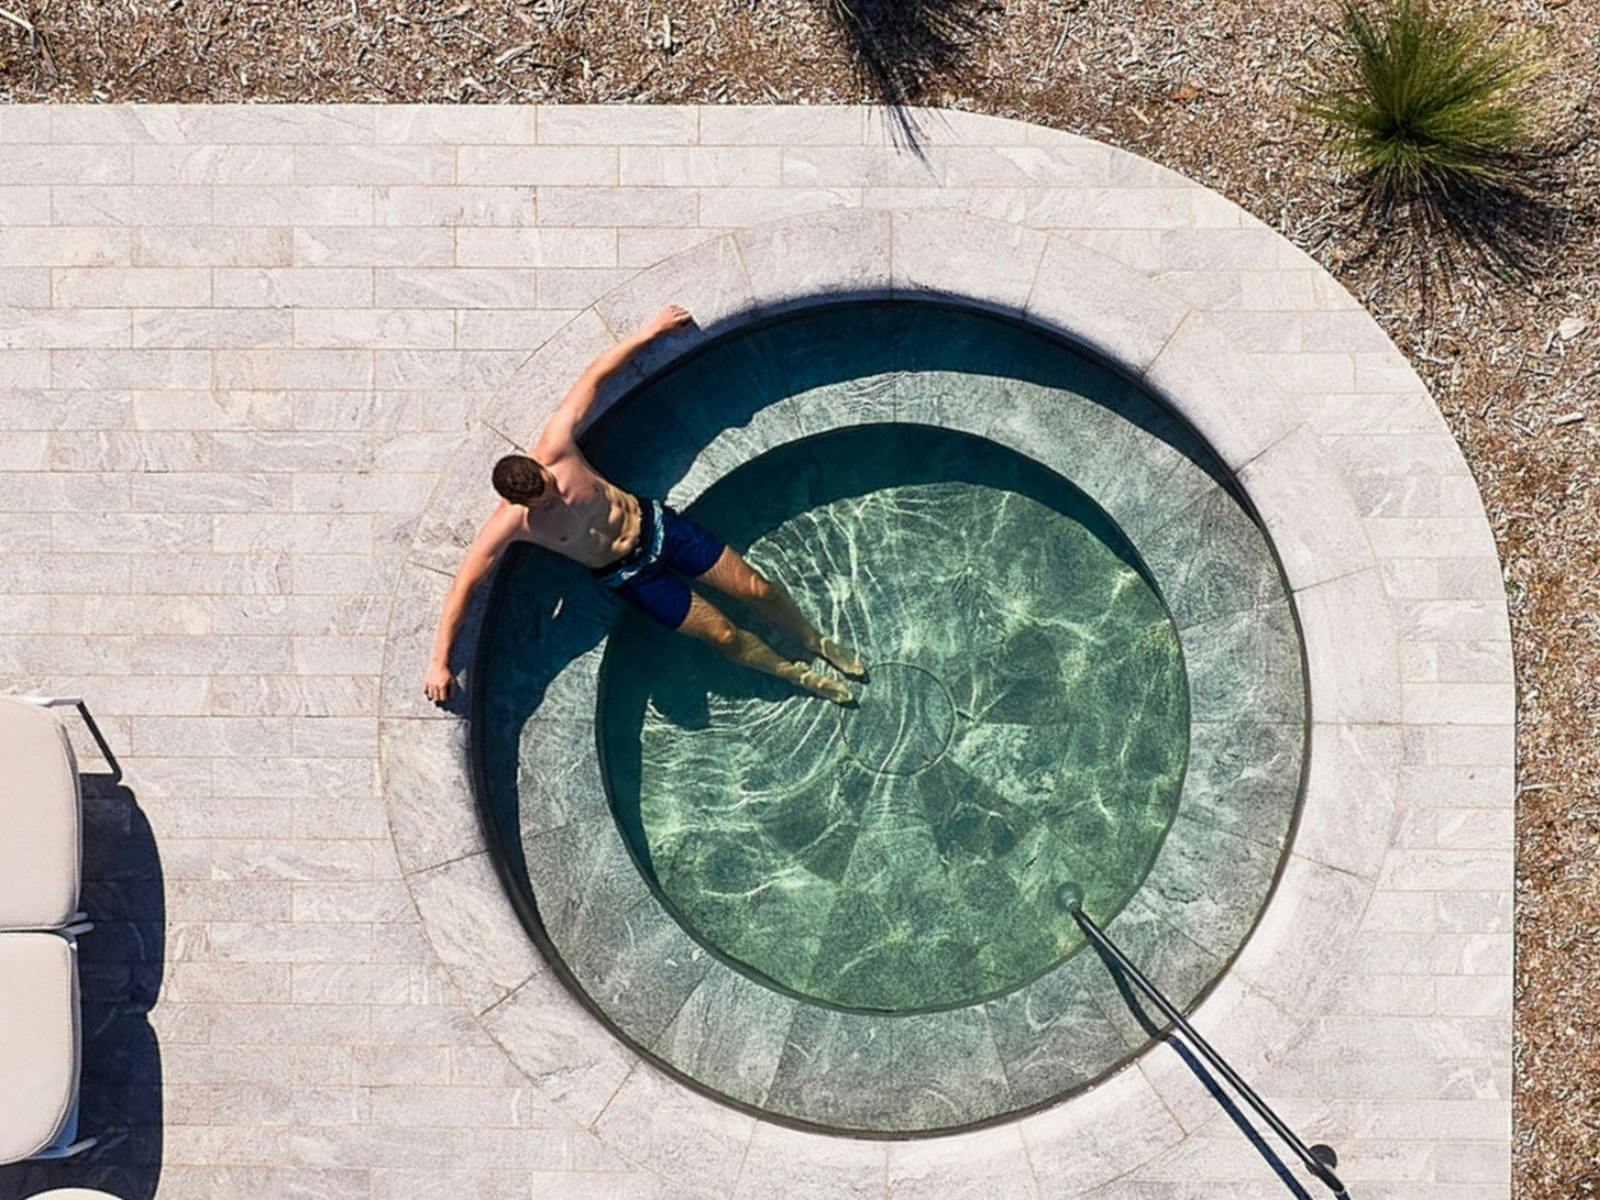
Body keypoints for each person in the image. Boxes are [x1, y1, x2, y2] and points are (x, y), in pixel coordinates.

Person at [423, 304, 864, 706]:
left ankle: (813, 638)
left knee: (758, 590)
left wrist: (650, 330)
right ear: (519, 501)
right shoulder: (513, 523)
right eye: (544, 497)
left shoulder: (555, 450)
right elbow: (464, 584)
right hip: (629, 576)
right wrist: (439, 661)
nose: (556, 491)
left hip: (657, 529)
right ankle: (796, 675)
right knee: (725, 636)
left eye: (549, 482)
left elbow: (592, 379)